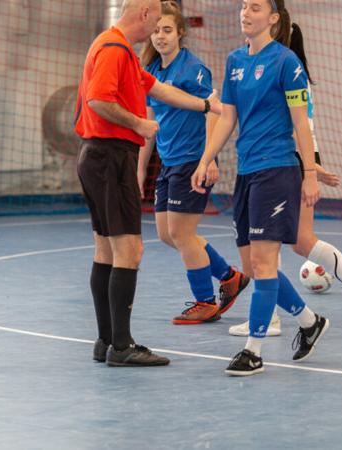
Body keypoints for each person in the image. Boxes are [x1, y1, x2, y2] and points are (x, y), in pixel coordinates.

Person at [74, 0, 220, 366]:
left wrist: (206, 106)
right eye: (156, 20)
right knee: (129, 252)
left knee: (106, 251)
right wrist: (138, 125)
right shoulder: (113, 49)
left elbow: (159, 90)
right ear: (144, 14)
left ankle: (106, 341)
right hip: (110, 157)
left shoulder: (122, 52)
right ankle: (121, 346)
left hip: (98, 158)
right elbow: (97, 99)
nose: (157, 29)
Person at [227, 22, 342, 338]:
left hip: (285, 163)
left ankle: (274, 319)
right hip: (294, 160)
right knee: (299, 242)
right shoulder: (273, 67)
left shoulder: (282, 68)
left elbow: (295, 128)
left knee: (275, 249)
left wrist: (310, 170)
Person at [191, 0, 327, 376]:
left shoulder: (287, 63)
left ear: (273, 18)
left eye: (254, 7)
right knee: (253, 266)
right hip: (247, 173)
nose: (245, 12)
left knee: (266, 263)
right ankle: (310, 321)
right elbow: (226, 119)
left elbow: (301, 124)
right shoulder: (235, 61)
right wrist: (205, 159)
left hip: (278, 170)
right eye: (243, 6)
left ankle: (254, 350)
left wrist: (310, 173)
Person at [137, 1, 249, 325]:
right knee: (166, 235)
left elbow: (212, 110)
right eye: (156, 30)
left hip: (192, 162)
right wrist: (142, 165)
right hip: (169, 162)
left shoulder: (193, 69)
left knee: (182, 234)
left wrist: (208, 159)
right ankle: (229, 276)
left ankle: (205, 301)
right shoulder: (152, 72)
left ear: (180, 33)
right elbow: (149, 120)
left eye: (167, 30)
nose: (160, 36)